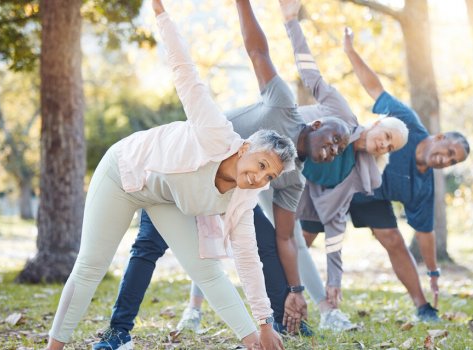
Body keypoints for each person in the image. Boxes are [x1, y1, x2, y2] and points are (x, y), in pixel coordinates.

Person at [92, 0, 353, 348]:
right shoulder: (283, 104)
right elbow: (257, 51)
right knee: (148, 246)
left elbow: (286, 240)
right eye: (335, 137)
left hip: (229, 197)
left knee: (266, 243)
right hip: (186, 171)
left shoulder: (293, 179)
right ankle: (118, 330)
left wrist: (295, 291)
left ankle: (275, 324)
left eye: (340, 149)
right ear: (316, 123)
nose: (334, 148)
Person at [44, 1, 297, 349]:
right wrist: (162, 16)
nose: (260, 178)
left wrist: (265, 323)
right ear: (244, 149)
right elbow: (185, 72)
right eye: (261, 164)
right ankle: (53, 347)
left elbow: (248, 259)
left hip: (162, 197)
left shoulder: (242, 196)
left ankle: (254, 343)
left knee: (207, 271)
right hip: (123, 171)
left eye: (270, 177)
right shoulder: (215, 131)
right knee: (90, 265)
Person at [173, 0, 411, 334]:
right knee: (212, 234)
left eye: (390, 147)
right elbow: (297, 68)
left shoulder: (359, 171)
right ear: (376, 124)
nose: (383, 144)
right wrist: (290, 21)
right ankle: (194, 308)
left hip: (274, 174)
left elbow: (334, 223)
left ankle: (317, 310)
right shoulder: (325, 113)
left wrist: (325, 284)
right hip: (218, 152)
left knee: (276, 238)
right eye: (386, 135)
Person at [298, 25, 471, 324]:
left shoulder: (423, 185)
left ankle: (422, 307)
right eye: (450, 152)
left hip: (370, 195)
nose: (446, 160)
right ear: (440, 137)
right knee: (304, 236)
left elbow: (426, 233)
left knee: (393, 238)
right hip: (343, 176)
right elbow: (374, 88)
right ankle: (282, 292)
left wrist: (433, 272)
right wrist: (351, 52)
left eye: (453, 162)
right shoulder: (408, 124)